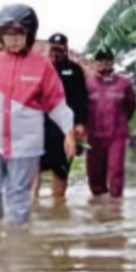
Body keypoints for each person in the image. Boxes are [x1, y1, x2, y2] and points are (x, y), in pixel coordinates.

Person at [0, 4, 76, 225]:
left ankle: (16, 247)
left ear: (30, 34)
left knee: (18, 198)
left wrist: (69, 132)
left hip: (26, 143)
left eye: (18, 34)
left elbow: (56, 102)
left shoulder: (42, 67)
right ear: (0, 36)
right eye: (7, 34)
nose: (13, 39)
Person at [33, 33, 88, 200]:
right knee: (34, 168)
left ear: (66, 49)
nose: (56, 53)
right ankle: (33, 208)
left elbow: (82, 98)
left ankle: (58, 209)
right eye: (53, 49)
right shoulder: (37, 68)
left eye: (60, 49)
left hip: (65, 129)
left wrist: (80, 123)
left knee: (61, 171)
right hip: (39, 127)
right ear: (48, 48)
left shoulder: (75, 70)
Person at [85, 47, 136, 199]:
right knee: (95, 175)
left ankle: (115, 209)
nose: (103, 65)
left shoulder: (124, 84)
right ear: (94, 63)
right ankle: (98, 209)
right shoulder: (88, 84)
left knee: (116, 171)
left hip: (116, 135)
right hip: (94, 136)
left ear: (113, 63)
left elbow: (131, 106)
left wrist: (121, 123)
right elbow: (81, 108)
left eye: (107, 62)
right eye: (100, 62)